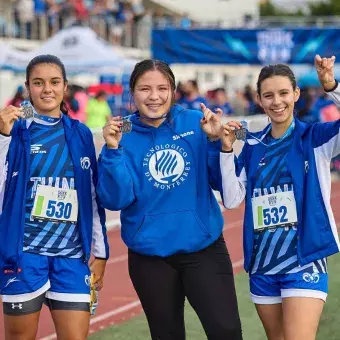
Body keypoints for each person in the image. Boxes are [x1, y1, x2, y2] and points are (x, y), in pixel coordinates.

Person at [97, 59, 242, 340]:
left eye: (162, 88)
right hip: (149, 256)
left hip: (203, 248)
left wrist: (216, 143)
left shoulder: (195, 121)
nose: (154, 96)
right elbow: (116, 200)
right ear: (132, 92)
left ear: (173, 90)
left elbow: (221, 184)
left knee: (226, 332)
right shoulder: (119, 133)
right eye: (145, 89)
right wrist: (112, 152)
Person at [219, 56, 340, 340]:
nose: (277, 102)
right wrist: (226, 151)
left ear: (296, 94)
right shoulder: (252, 145)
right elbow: (232, 198)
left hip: (304, 261)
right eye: (269, 95)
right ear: (259, 100)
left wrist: (331, 85)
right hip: (263, 265)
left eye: (284, 93)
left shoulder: (314, 138)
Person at [0, 54, 109, 340]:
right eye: (38, 83)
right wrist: (2, 138)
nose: (47, 89)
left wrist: (101, 251)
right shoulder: (14, 130)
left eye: (54, 82)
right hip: (24, 254)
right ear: (27, 87)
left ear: (65, 86)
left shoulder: (81, 134)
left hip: (72, 257)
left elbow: (92, 195)